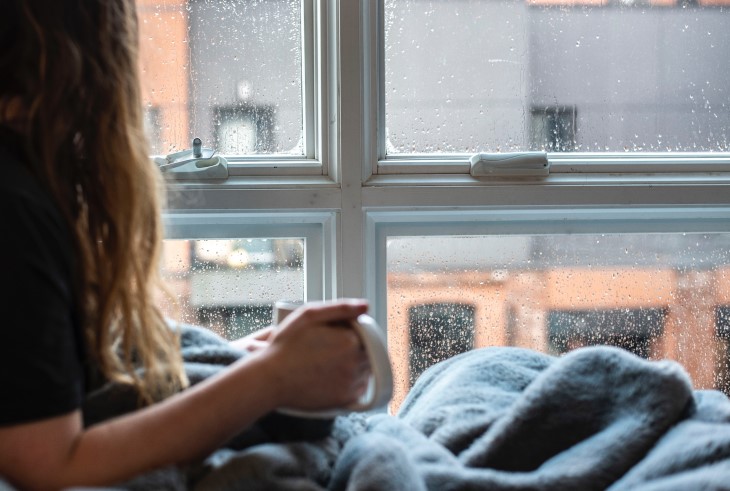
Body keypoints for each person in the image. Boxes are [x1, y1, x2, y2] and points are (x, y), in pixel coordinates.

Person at [0, 1, 370, 489]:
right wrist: (271, 377)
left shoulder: (26, 184)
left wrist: (250, 365)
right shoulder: (14, 208)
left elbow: (50, 399)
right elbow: (47, 463)